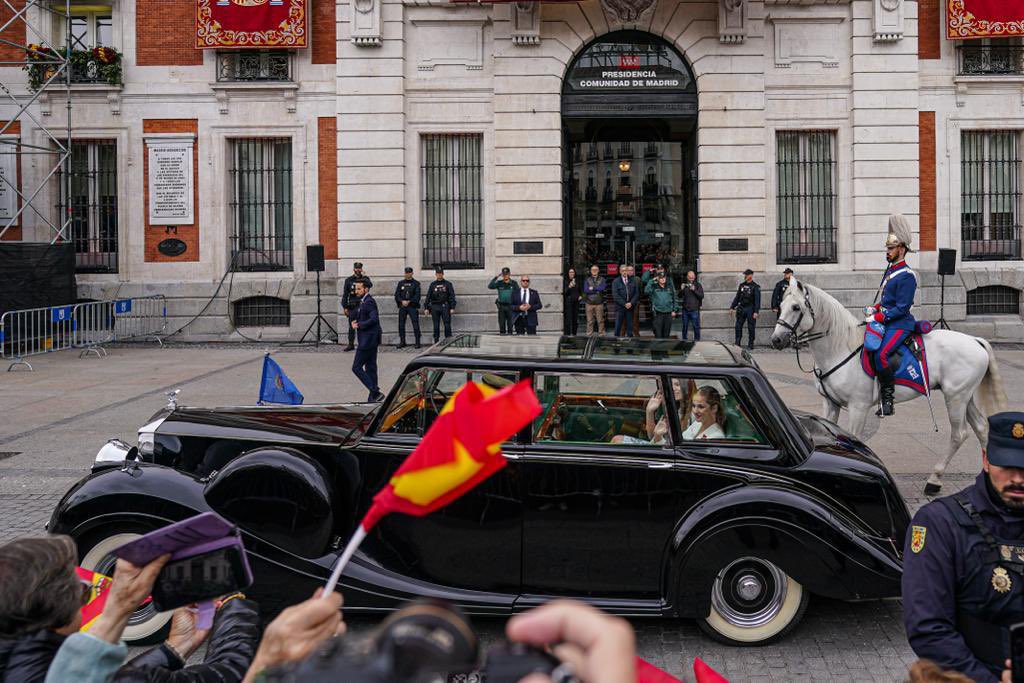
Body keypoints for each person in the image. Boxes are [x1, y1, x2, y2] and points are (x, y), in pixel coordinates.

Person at [902, 412, 1024, 683]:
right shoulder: (940, 524)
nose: (1017, 478)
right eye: (1007, 466)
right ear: (985, 460)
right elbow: (929, 630)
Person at [0, 535, 168, 683]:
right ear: (57, 606)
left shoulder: (18, 660)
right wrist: (120, 606)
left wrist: (174, 649)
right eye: (84, 591)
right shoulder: (34, 670)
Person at [865, 214, 918, 417]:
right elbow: (888, 302)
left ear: (901, 250)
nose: (887, 252)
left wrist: (879, 317)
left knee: (881, 354)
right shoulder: (892, 271)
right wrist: (875, 308)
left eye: (890, 248)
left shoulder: (907, 275)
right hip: (889, 320)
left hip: (901, 324)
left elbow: (902, 308)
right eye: (887, 248)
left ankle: (888, 399)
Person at [351, 281, 383, 402]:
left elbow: (374, 319)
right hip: (370, 340)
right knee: (371, 368)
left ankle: (375, 391)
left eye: (359, 289)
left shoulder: (369, 301)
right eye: (356, 289)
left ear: (366, 289)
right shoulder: (363, 301)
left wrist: (359, 325)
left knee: (356, 367)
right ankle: (373, 399)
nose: (357, 291)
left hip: (367, 341)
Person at [341, 263, 372, 352]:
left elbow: (370, 285)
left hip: (362, 305)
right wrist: (345, 307)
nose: (358, 270)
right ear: (354, 269)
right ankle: (351, 344)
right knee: (352, 326)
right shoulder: (349, 280)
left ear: (361, 269)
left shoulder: (365, 279)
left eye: (359, 268)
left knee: (363, 325)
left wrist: (364, 276)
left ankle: (363, 344)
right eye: (356, 268)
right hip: (352, 307)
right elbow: (345, 295)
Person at [730, 268, 761, 350]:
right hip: (742, 308)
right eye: (745, 275)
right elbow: (737, 297)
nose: (745, 276)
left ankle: (751, 344)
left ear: (751, 276)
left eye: (747, 275)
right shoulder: (742, 285)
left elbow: (757, 301)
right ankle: (737, 342)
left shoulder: (755, 287)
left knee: (751, 327)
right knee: (738, 326)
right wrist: (732, 307)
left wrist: (756, 311)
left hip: (750, 308)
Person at [426, 266, 456, 344]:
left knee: (447, 324)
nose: (439, 275)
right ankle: (436, 341)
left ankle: (448, 341)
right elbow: (428, 296)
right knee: (436, 325)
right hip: (435, 307)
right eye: (438, 273)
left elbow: (452, 296)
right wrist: (426, 307)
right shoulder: (432, 284)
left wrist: (452, 307)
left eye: (441, 273)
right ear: (435, 274)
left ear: (443, 274)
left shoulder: (448, 284)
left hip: (445, 306)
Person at [394, 267, 421, 349]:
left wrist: (409, 301)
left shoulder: (416, 283)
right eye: (406, 273)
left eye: (409, 273)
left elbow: (417, 296)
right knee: (401, 325)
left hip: (412, 306)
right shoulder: (401, 283)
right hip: (403, 306)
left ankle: (417, 342)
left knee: (415, 324)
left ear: (412, 273)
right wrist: (401, 301)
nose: (407, 274)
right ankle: (402, 341)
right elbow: (396, 295)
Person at [645, 271, 677, 339]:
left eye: (664, 278)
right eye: (661, 278)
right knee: (658, 334)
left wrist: (674, 310)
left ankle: (664, 349)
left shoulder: (670, 286)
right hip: (658, 313)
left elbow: (674, 298)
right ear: (658, 279)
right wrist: (651, 280)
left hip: (668, 313)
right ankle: (658, 349)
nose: (663, 279)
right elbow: (646, 291)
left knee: (666, 334)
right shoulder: (654, 286)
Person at [611, 264, 638, 337]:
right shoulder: (616, 281)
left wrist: (631, 303)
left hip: (630, 307)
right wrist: (625, 304)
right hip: (620, 308)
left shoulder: (633, 280)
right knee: (618, 327)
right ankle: (616, 344)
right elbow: (615, 295)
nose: (624, 272)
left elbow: (636, 294)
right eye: (623, 271)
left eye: (626, 270)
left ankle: (630, 345)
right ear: (620, 271)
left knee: (630, 327)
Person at [488, 267, 516, 335]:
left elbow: (517, 293)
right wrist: (496, 277)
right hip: (501, 307)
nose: (505, 276)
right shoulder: (499, 283)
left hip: (510, 307)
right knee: (502, 325)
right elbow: (490, 286)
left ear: (509, 274)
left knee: (510, 325)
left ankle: (510, 340)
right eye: (504, 274)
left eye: (507, 274)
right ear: (502, 275)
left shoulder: (513, 283)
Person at [582, 264, 606, 335]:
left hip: (599, 303)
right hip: (589, 303)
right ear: (590, 271)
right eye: (593, 270)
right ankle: (589, 334)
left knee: (600, 320)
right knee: (589, 321)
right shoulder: (587, 280)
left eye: (596, 270)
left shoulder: (602, 279)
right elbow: (586, 290)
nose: (594, 271)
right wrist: (597, 290)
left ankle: (601, 334)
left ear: (598, 271)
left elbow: (602, 288)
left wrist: (593, 288)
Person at [680, 270, 704, 341]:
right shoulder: (685, 285)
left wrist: (694, 290)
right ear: (687, 277)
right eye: (690, 277)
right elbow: (679, 296)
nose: (691, 279)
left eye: (692, 277)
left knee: (696, 327)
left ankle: (697, 341)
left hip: (694, 310)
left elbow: (701, 296)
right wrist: (681, 290)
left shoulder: (698, 285)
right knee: (685, 326)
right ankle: (684, 340)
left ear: (695, 277)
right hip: (685, 310)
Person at [563, 267, 581, 335]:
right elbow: (564, 292)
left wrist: (581, 296)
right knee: (568, 318)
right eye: (570, 272)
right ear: (568, 273)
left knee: (575, 318)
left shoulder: (577, 280)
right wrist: (569, 286)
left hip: (576, 302)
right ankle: (567, 333)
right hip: (568, 302)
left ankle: (574, 333)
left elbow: (580, 290)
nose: (572, 273)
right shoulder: (565, 281)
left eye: (573, 272)